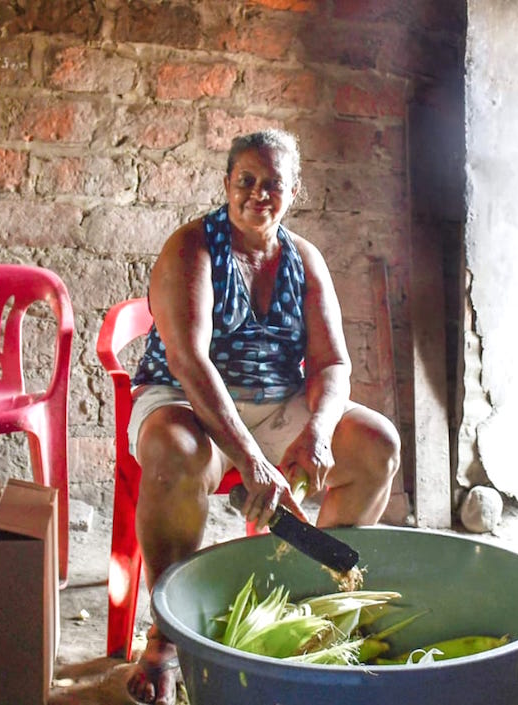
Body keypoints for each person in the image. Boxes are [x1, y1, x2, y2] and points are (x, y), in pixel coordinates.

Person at [123, 128, 401, 705]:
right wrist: (251, 459)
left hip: (276, 399)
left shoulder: (304, 259)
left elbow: (332, 362)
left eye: (272, 183)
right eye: (245, 181)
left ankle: (313, 606)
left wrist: (318, 434)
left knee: (377, 443)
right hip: (186, 398)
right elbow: (188, 361)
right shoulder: (192, 248)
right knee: (179, 454)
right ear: (226, 185)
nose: (257, 194)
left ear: (293, 190)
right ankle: (167, 637)